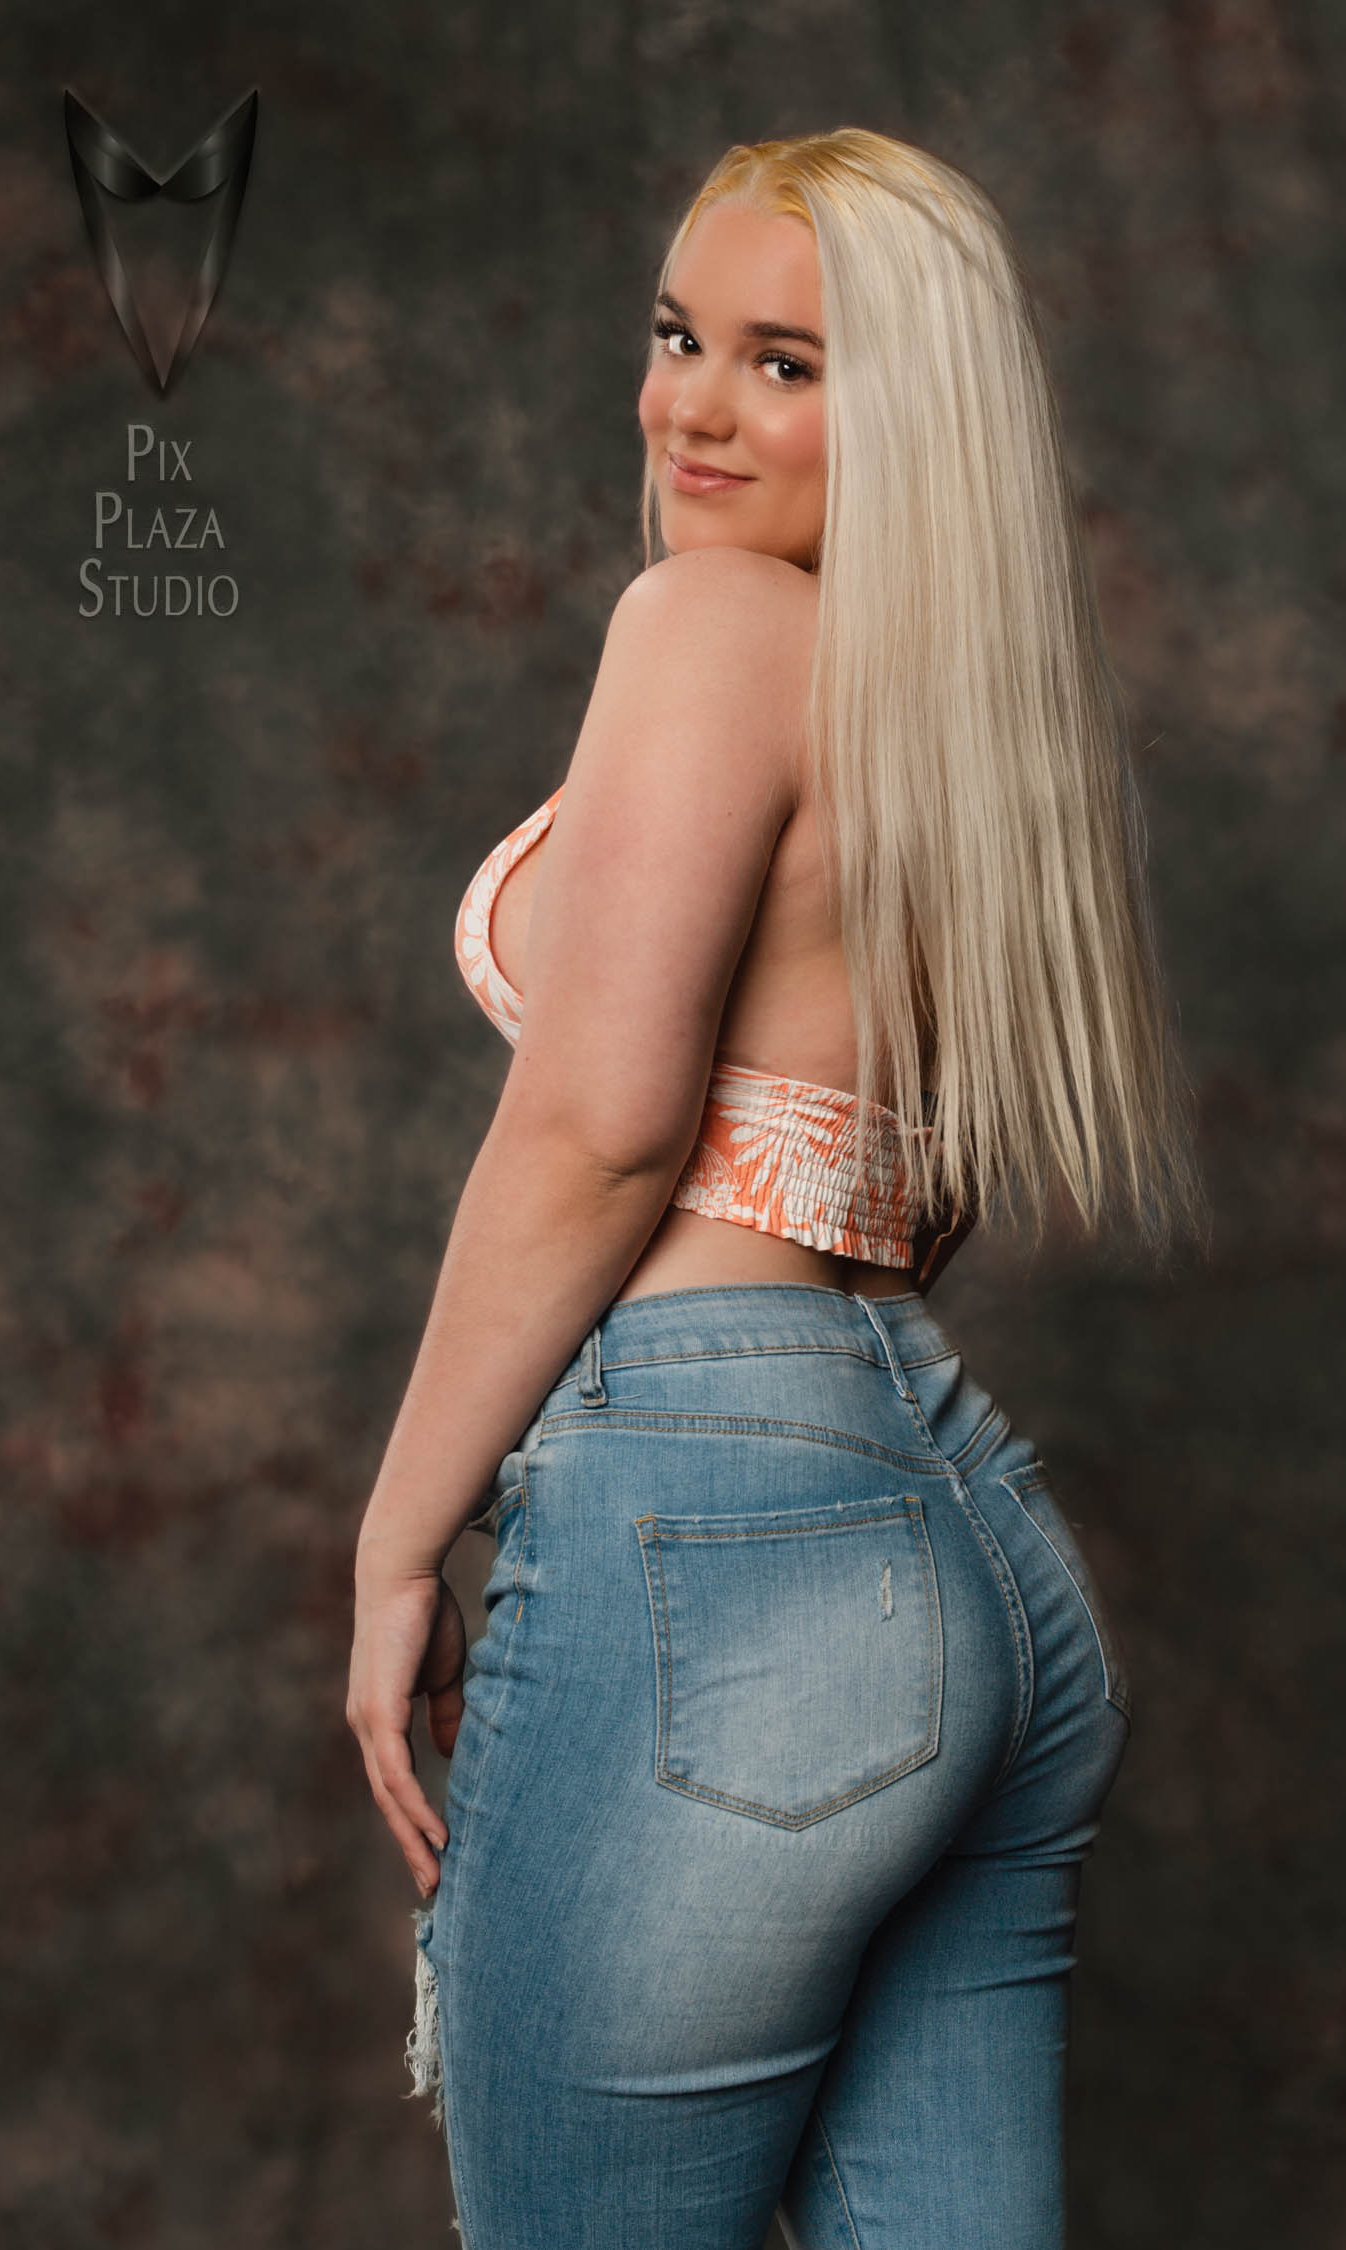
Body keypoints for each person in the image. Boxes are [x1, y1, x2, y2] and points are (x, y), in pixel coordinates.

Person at [346, 127, 1206, 2250]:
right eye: (676, 336)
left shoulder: (714, 623)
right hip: (968, 1547)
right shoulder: (966, 719)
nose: (695, 405)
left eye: (788, 362)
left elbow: (606, 1120)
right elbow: (912, 1187)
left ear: (907, 406)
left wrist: (393, 1538)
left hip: (718, 1551)